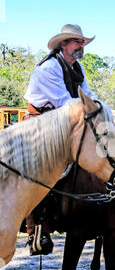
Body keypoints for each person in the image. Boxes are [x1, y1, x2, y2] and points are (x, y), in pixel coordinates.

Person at [24, 24, 100, 255]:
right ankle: (35, 230)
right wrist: (92, 110)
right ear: (63, 44)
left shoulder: (78, 68)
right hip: (41, 121)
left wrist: (100, 108)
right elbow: (63, 102)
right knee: (40, 169)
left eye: (82, 42)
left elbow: (87, 94)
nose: (81, 46)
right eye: (76, 42)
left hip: (66, 122)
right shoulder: (48, 68)